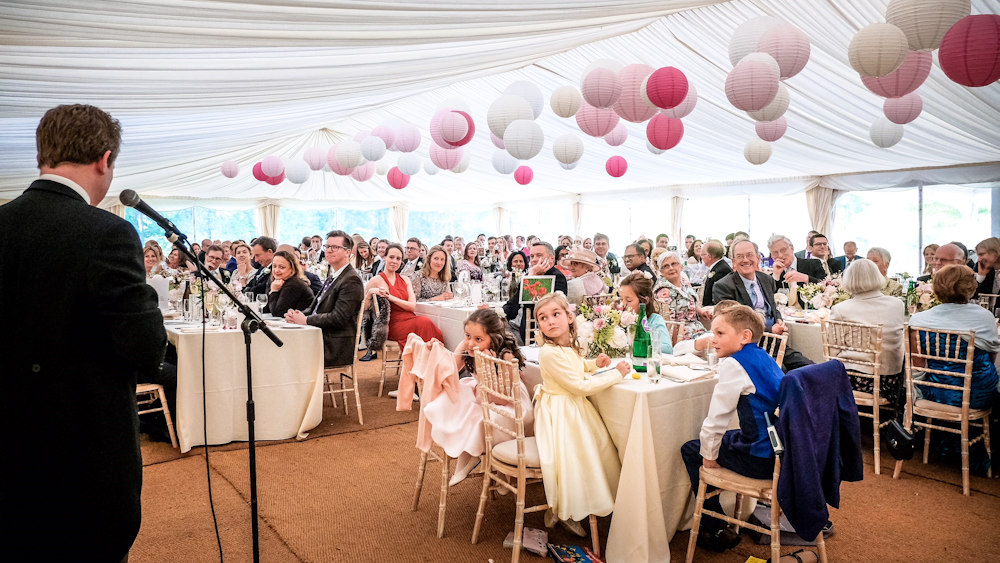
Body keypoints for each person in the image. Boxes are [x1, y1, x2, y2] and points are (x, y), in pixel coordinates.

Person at [0, 103, 167, 561]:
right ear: (105, 159)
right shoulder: (107, 232)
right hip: (79, 452)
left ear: (42, 156)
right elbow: (143, 346)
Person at [680, 305, 784, 553]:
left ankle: (716, 526)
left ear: (745, 336)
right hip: (779, 450)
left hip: (761, 459)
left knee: (692, 449)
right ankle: (717, 525)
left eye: (720, 333)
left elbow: (717, 419)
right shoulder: (763, 357)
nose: (713, 339)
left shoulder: (734, 365)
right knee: (719, 440)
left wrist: (710, 456)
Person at [532, 292, 630, 536]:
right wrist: (616, 374)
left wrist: (593, 364)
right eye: (543, 318)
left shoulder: (564, 347)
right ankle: (568, 509)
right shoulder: (549, 352)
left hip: (572, 407)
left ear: (569, 317)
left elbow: (574, 365)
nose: (551, 321)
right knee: (574, 459)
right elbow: (579, 386)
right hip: (562, 411)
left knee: (599, 449)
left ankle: (595, 498)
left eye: (556, 314)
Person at [436, 309, 532, 486]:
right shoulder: (470, 347)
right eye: (467, 336)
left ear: (494, 338)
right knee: (459, 404)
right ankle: (468, 456)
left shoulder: (505, 355)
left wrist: (486, 369)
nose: (471, 343)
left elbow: (502, 399)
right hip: (485, 395)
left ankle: (498, 467)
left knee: (481, 416)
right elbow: (451, 369)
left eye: (478, 339)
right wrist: (453, 347)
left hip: (510, 403)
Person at [713, 240, 814, 372]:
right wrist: (770, 329)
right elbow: (734, 324)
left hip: (776, 343)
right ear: (733, 262)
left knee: (811, 368)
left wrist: (779, 321)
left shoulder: (766, 279)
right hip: (748, 347)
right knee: (781, 373)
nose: (745, 260)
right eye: (739, 256)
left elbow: (773, 307)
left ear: (758, 258)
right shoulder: (724, 286)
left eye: (750, 255)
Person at [909, 265, 999, 410]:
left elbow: (918, 367)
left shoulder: (918, 320)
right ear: (971, 287)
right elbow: (992, 357)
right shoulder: (985, 316)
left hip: (935, 392)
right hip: (978, 394)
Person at [829, 259, 905, 407]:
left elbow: (833, 351)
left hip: (855, 381)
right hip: (892, 381)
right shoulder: (898, 304)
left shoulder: (841, 309)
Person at [285, 230, 365, 369]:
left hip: (335, 345)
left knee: (286, 351)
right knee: (283, 341)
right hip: (321, 335)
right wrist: (298, 315)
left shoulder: (351, 280)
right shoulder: (333, 276)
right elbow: (314, 307)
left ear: (347, 252)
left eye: (335, 247)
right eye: (327, 247)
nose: (329, 251)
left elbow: (338, 318)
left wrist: (306, 320)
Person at [365, 243, 443, 349]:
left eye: (398, 258)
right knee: (425, 322)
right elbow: (362, 309)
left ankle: (430, 360)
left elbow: (412, 306)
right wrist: (370, 293)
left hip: (410, 319)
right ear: (385, 257)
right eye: (391, 257)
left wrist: (390, 297)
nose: (394, 261)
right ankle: (429, 360)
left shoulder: (405, 279)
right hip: (392, 325)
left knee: (428, 325)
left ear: (401, 261)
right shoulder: (376, 280)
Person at [501, 241, 568, 344]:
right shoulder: (531, 274)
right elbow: (515, 302)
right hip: (521, 327)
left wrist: (531, 276)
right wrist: (498, 314)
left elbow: (534, 305)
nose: (534, 259)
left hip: (542, 334)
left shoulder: (557, 277)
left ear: (552, 259)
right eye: (532, 256)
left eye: (539, 255)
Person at [653, 252, 708, 342]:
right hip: (684, 336)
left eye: (674, 264)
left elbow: (689, 301)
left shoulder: (684, 282)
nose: (671, 268)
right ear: (661, 272)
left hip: (697, 330)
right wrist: (676, 347)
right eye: (666, 266)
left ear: (681, 267)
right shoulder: (664, 292)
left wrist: (700, 311)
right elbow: (670, 324)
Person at [620, 273, 676, 354]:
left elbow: (668, 349)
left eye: (629, 301)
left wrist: (641, 343)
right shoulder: (618, 320)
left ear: (644, 301)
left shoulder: (654, 320)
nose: (623, 305)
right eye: (621, 299)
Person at [767, 234, 827, 308]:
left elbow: (826, 287)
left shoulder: (813, 264)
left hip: (810, 314)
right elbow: (768, 300)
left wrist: (806, 278)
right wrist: (776, 276)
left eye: (783, 250)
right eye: (775, 253)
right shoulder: (772, 277)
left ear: (792, 248)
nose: (780, 255)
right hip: (785, 317)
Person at [264, 249, 314, 317]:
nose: (276, 270)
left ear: (292, 269)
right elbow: (266, 309)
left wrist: (274, 291)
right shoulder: (277, 282)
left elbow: (278, 313)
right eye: (274, 266)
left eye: (282, 267)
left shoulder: (294, 284)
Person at [701, 240, 732, 307]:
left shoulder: (722, 270)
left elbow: (718, 296)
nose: (702, 258)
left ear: (709, 256)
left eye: (702, 255)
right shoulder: (717, 267)